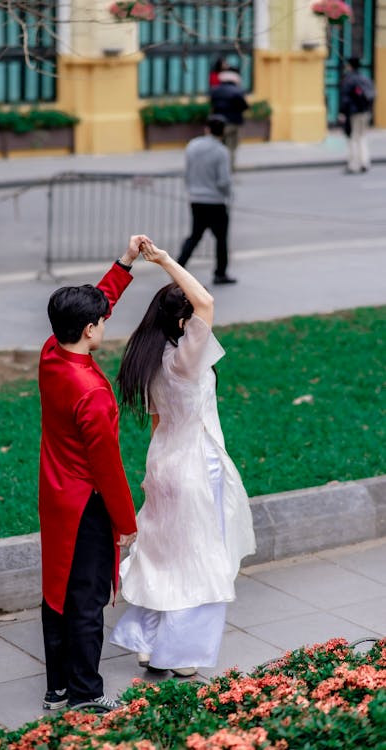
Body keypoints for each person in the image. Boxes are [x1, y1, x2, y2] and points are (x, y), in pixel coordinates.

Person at [110, 241, 256, 676]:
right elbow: (206, 301)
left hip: (164, 464)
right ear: (183, 321)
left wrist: (153, 474)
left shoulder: (151, 360)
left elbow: (157, 426)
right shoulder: (188, 361)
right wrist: (165, 262)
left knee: (164, 555)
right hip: (196, 467)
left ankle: (147, 642)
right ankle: (181, 654)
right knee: (200, 560)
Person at [38, 237, 146, 711]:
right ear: (89, 329)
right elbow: (108, 468)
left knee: (56, 588)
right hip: (87, 503)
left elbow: (94, 303)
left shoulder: (51, 354)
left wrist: (124, 265)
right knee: (86, 598)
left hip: (56, 495)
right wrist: (126, 524)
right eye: (102, 320)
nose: (106, 321)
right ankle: (86, 694)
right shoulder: (91, 394)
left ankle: (57, 687)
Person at [177, 114, 236, 285]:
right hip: (215, 201)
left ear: (207, 129)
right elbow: (224, 180)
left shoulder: (193, 145)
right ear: (223, 132)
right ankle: (220, 273)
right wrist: (228, 194)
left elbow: (187, 171)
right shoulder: (221, 151)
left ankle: (178, 266)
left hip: (196, 198)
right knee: (221, 239)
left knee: (195, 236)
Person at [339, 57, 375, 174]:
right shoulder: (364, 78)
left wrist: (342, 113)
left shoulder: (349, 79)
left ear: (349, 66)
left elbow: (345, 99)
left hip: (354, 113)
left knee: (354, 138)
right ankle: (365, 162)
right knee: (362, 137)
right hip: (365, 112)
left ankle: (354, 165)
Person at [210, 66, 249, 171]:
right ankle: (228, 170)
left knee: (219, 146)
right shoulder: (237, 91)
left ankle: (218, 168)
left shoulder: (215, 90)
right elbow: (245, 106)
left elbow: (212, 104)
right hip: (233, 122)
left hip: (218, 123)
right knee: (231, 147)